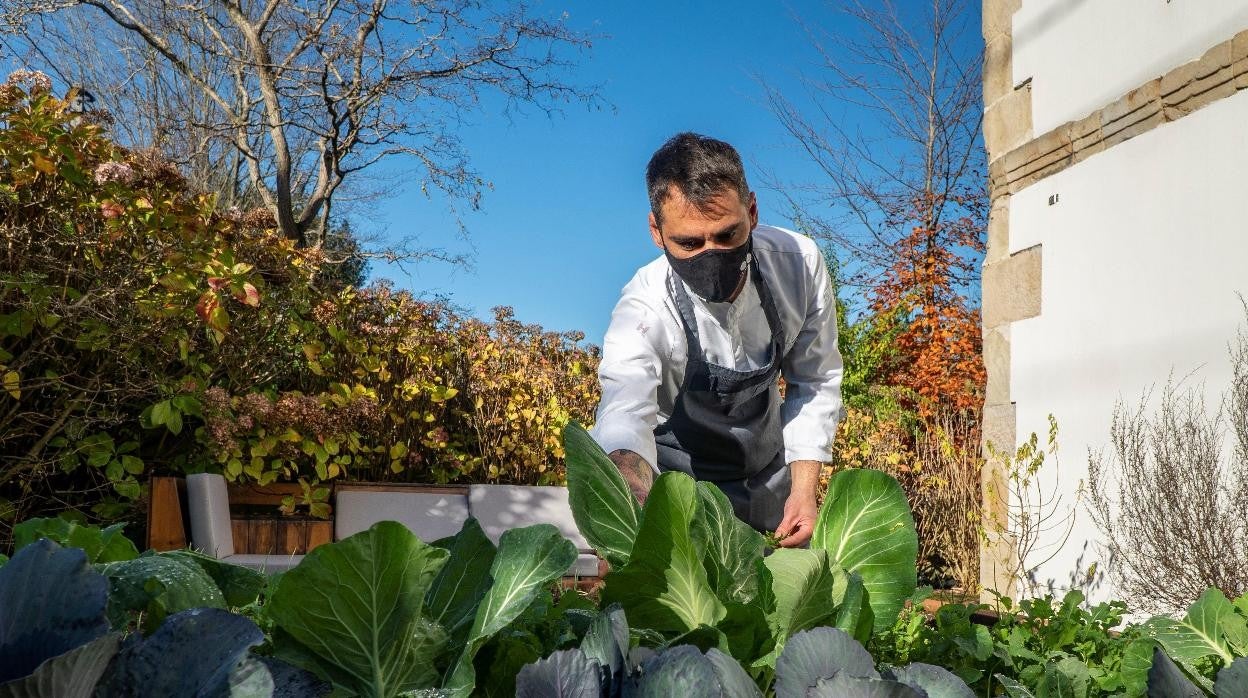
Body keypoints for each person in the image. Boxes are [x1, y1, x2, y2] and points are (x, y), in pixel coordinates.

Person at [590, 132, 844, 549]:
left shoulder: (798, 264)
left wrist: (804, 491)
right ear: (656, 231)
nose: (711, 254)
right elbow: (625, 411)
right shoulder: (644, 306)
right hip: (681, 492)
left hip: (770, 485)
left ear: (753, 211)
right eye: (689, 243)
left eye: (726, 235)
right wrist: (633, 515)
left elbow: (814, 380)